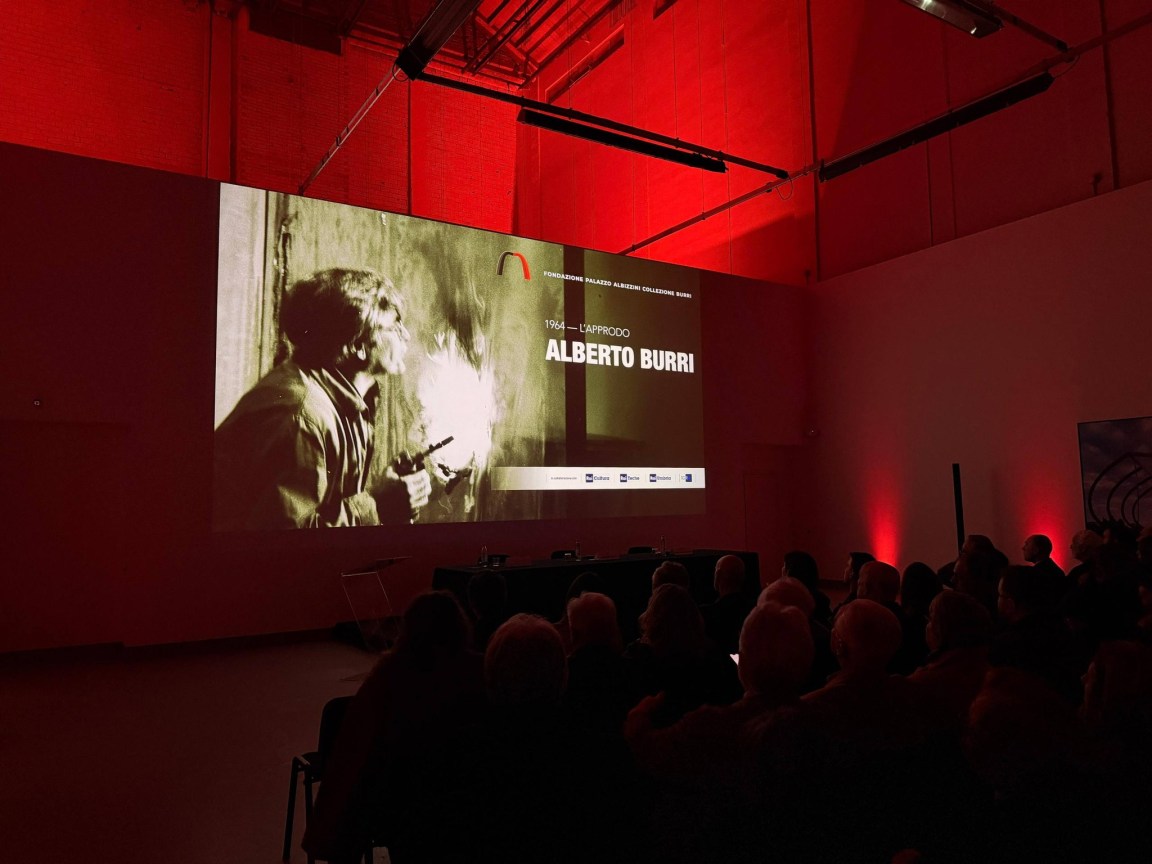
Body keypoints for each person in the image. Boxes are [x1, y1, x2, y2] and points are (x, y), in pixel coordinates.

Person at [213, 268, 430, 530]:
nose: (406, 335)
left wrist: (391, 499)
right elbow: (286, 541)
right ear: (357, 345)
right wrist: (377, 505)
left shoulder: (346, 399)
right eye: (395, 326)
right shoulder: (303, 415)